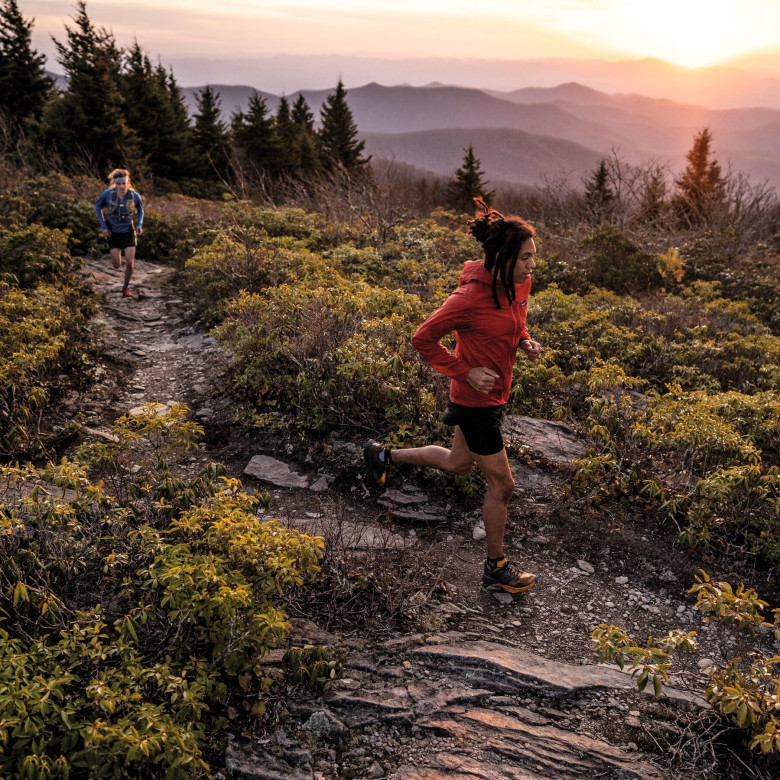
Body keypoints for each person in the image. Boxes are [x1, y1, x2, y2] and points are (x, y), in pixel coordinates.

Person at [364, 198, 543, 594]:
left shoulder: (519, 285)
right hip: (475, 403)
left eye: (534, 257)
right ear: (504, 256)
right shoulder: (467, 299)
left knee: (459, 462)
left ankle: (382, 455)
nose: (533, 265)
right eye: (526, 257)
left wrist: (525, 340)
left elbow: (517, 321)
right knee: (503, 486)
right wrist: (465, 370)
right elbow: (422, 338)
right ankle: (496, 568)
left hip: (494, 396)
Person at [94, 168, 144, 298]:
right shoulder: (107, 194)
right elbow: (97, 206)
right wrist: (104, 226)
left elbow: (141, 211)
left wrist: (139, 225)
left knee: (129, 263)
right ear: (114, 183)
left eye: (124, 183)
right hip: (113, 232)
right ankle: (118, 252)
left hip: (128, 231)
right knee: (116, 265)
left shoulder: (135, 196)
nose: (122, 186)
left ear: (128, 182)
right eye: (119, 184)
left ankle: (126, 287)